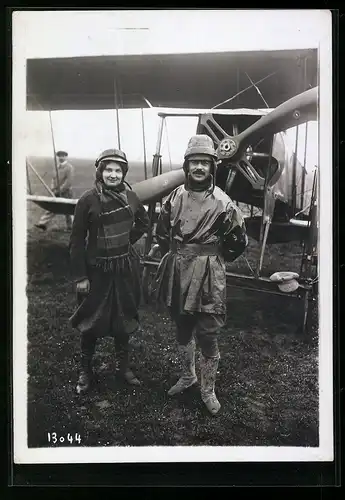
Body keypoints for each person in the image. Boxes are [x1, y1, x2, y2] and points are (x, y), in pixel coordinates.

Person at [155, 135, 248, 415]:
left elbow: (238, 240)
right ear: (186, 166)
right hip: (179, 268)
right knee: (182, 325)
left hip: (209, 272)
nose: (198, 168)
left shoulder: (223, 202)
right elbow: (162, 234)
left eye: (204, 163)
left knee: (208, 331)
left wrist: (214, 258)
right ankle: (188, 375)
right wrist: (178, 254)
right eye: (194, 162)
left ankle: (208, 389)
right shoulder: (174, 198)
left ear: (212, 167)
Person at [69, 148, 149, 394]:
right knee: (90, 320)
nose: (113, 175)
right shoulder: (88, 200)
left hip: (124, 269)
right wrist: (81, 276)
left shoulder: (132, 197)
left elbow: (143, 223)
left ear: (123, 173)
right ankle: (85, 371)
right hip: (96, 271)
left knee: (124, 318)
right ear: (100, 171)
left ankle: (123, 368)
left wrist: (125, 241)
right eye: (108, 169)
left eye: (117, 170)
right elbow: (76, 240)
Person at [35, 150, 74, 230]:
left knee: (68, 210)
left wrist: (61, 190)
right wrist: (53, 188)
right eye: (59, 156)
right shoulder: (57, 167)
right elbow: (53, 178)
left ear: (66, 157)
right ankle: (42, 224)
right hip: (56, 191)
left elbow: (68, 182)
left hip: (66, 192)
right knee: (52, 207)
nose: (61, 157)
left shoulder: (69, 167)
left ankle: (72, 227)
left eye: (63, 156)